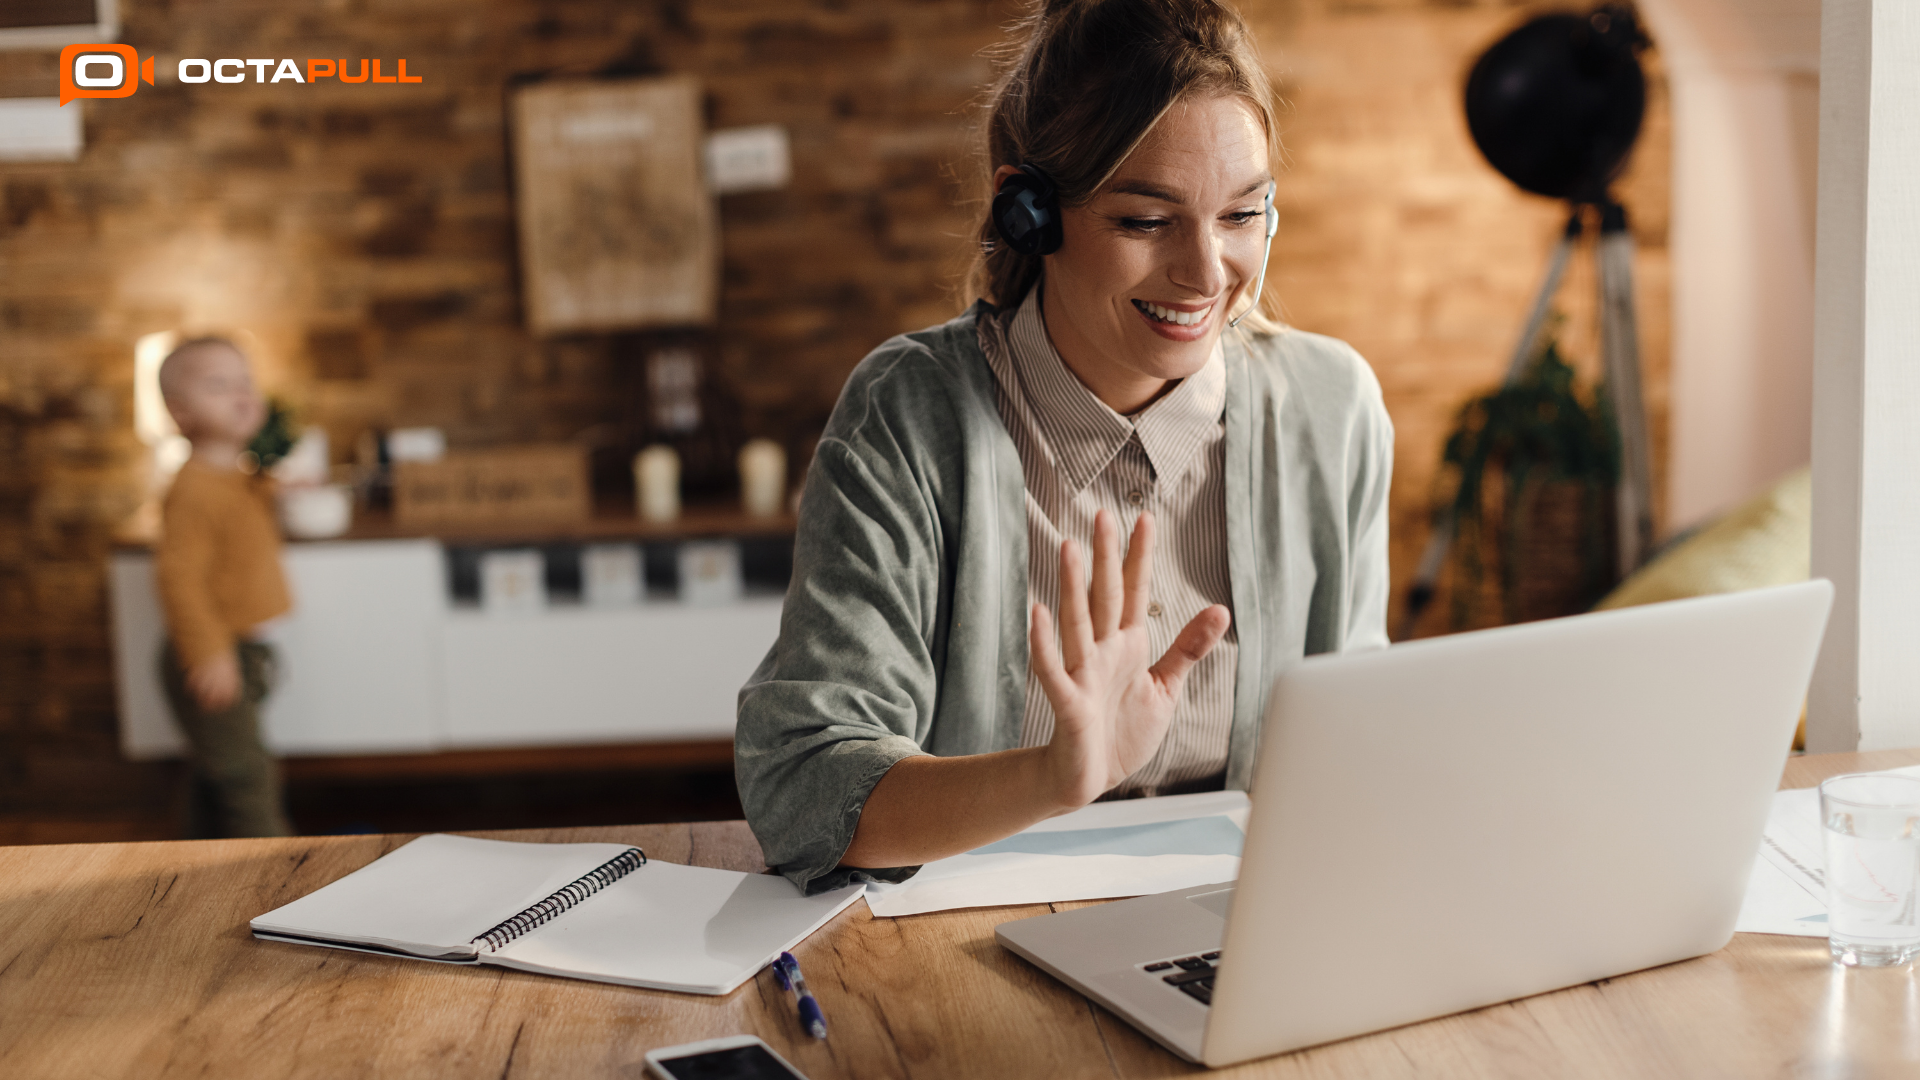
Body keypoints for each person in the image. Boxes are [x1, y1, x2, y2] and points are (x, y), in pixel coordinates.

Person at [736, 0, 1391, 894]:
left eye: (1243, 215)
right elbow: (802, 791)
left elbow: (1357, 747)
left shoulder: (1332, 406)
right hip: (969, 941)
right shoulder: (911, 416)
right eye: (1146, 221)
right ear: (1032, 214)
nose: (1207, 273)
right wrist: (1051, 779)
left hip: (1247, 929)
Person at [154, 337, 295, 838]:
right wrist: (210, 653)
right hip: (216, 651)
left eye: (245, 383)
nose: (241, 395)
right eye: (219, 385)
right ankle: (276, 873)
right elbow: (179, 579)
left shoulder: (235, 474)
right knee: (246, 776)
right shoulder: (192, 488)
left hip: (244, 651)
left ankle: (190, 864)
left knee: (219, 768)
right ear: (179, 412)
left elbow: (244, 509)